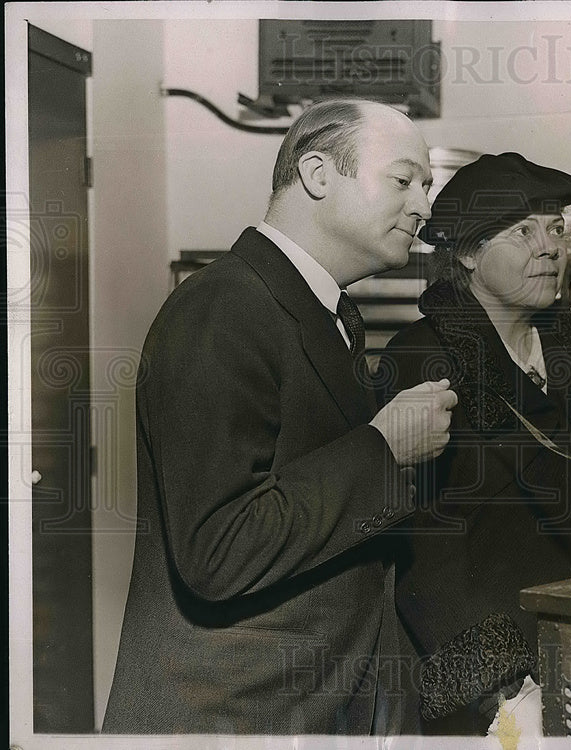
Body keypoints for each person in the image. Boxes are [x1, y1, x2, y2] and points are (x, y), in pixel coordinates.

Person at [103, 99, 457, 735]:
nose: (425, 207)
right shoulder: (220, 310)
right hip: (234, 717)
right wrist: (384, 448)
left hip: (314, 706)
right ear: (318, 175)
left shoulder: (326, 313)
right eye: (404, 181)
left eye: (426, 186)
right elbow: (217, 551)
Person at [377, 153, 571, 735]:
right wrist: (503, 691)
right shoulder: (422, 358)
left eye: (556, 229)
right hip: (498, 685)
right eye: (523, 231)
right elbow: (421, 553)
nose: (549, 247)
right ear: (466, 254)